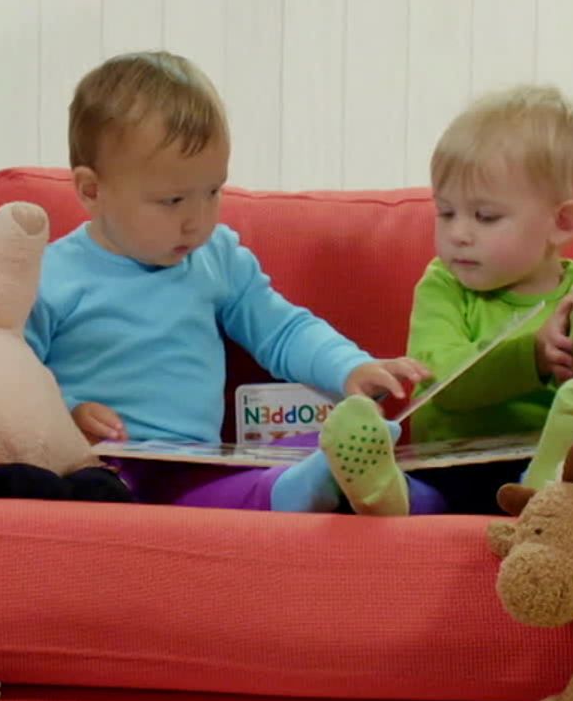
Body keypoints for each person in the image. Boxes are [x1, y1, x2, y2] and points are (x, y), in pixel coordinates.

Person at [23, 51, 441, 517]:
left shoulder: (215, 256)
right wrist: (68, 413)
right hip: (106, 469)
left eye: (213, 191)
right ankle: (311, 489)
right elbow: (9, 378)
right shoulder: (48, 275)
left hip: (198, 464)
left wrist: (350, 368)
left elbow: (282, 329)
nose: (197, 220)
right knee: (178, 495)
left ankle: (363, 474)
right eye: (173, 200)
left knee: (314, 442)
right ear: (91, 190)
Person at [405, 83, 573, 513]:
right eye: (446, 212)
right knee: (420, 487)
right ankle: (393, 495)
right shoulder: (443, 286)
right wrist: (532, 356)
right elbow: (443, 383)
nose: (458, 233)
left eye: (485, 216)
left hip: (565, 465)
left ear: (562, 222)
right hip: (453, 467)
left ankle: (549, 483)